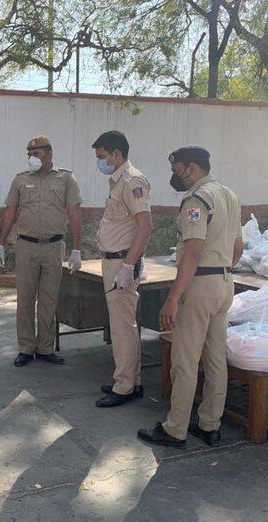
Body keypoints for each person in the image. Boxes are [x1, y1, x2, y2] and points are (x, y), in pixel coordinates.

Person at [137, 146, 242, 448]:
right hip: (224, 282)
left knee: (184, 360)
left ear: (192, 168)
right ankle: (210, 424)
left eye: (176, 169)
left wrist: (173, 298)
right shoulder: (229, 196)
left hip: (200, 285)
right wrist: (221, 268)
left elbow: (193, 251)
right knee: (215, 359)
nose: (174, 175)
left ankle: (175, 428)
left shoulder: (197, 199)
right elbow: (238, 247)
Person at [0, 135, 83, 367]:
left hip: (54, 247)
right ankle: (25, 348)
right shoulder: (20, 180)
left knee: (49, 299)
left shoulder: (66, 179)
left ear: (50, 155)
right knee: (25, 299)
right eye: (30, 154)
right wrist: (0, 243)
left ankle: (45, 348)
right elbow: (10, 213)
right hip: (26, 246)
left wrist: (77, 249)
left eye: (37, 154)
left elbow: (74, 214)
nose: (32, 158)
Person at [91, 130, 152, 408]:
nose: (100, 162)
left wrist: (128, 266)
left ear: (116, 154)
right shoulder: (117, 182)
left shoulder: (132, 181)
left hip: (122, 263)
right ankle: (130, 379)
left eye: (102, 157)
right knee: (123, 325)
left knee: (122, 328)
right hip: (114, 261)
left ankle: (125, 386)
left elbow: (145, 226)